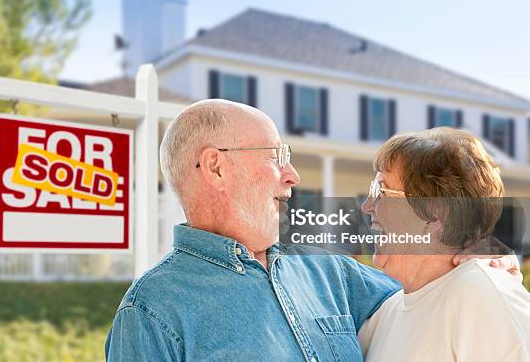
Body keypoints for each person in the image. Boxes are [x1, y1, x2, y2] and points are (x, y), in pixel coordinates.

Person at [105, 100, 519, 361]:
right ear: (216, 166)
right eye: (276, 156)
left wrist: (478, 250)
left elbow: (432, 291)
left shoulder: (331, 274)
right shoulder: (151, 314)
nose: (293, 175)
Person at [359, 127, 530, 361]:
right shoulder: (385, 314)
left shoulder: (480, 293)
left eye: (382, 191)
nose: (367, 206)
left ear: (436, 214)